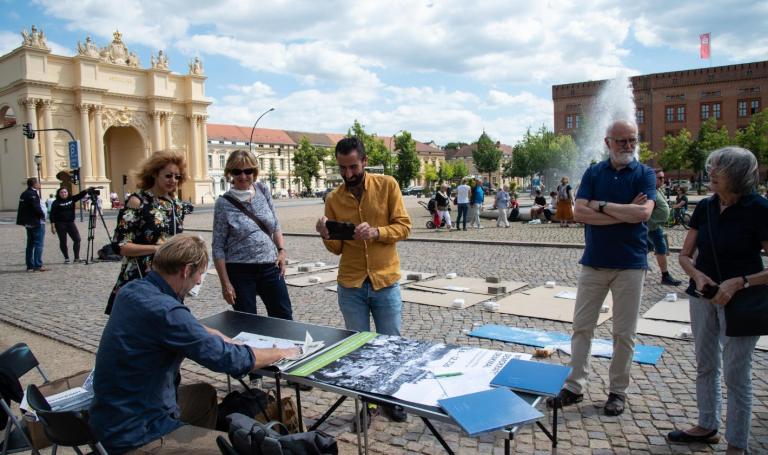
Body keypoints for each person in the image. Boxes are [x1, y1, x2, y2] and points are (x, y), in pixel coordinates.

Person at [90, 234, 299, 454]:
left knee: (204, 395)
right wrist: (280, 352)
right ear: (185, 270)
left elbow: (177, 326)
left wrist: (212, 333)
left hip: (109, 415)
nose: (199, 281)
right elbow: (230, 360)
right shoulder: (166, 311)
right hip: (138, 431)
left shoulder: (132, 291)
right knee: (233, 450)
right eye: (199, 274)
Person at [547, 119, 655, 416]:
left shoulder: (644, 174)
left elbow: (643, 213)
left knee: (624, 333)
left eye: (633, 140)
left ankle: (617, 391)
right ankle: (574, 385)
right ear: (608, 142)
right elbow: (580, 212)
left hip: (631, 264)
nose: (628, 146)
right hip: (594, 263)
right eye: (622, 141)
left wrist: (602, 206)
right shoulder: (594, 171)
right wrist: (624, 212)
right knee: (582, 328)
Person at [667, 147, 768, 455]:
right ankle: (707, 425)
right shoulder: (706, 207)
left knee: (737, 373)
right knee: (706, 364)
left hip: (743, 302)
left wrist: (740, 282)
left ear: (737, 175)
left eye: (719, 169)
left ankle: (737, 444)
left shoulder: (759, 208)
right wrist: (697, 276)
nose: (711, 173)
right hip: (703, 296)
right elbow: (684, 256)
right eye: (711, 167)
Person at [316, 136, 411, 425]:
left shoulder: (388, 185)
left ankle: (391, 400)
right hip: (351, 286)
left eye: (353, 167)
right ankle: (367, 405)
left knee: (391, 346)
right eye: (342, 168)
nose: (348, 174)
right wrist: (326, 234)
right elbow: (337, 249)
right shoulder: (333, 199)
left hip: (386, 282)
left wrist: (377, 233)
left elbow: (404, 226)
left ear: (365, 162)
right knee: (358, 351)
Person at [106, 151, 191, 315]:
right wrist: (156, 249)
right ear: (154, 173)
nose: (173, 180)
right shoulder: (138, 201)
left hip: (169, 276)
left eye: (177, 177)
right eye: (168, 176)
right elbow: (120, 245)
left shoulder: (176, 205)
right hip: (140, 277)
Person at [212, 150, 292, 319]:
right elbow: (218, 246)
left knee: (284, 316)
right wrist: (225, 283)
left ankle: (287, 346)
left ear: (254, 172)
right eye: (237, 171)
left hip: (270, 266)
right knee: (247, 321)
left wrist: (282, 251)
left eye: (248, 171)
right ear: (230, 173)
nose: (243, 176)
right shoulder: (223, 203)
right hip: (240, 270)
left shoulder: (262, 190)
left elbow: (275, 224)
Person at [647, 169, 682, 286]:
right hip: (653, 227)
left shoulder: (657, 190)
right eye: (660, 178)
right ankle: (665, 275)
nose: (663, 180)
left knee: (645, 248)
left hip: (656, 226)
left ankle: (638, 268)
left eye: (663, 178)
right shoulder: (649, 192)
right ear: (652, 179)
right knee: (661, 249)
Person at [16, 178, 48, 272]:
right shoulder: (32, 194)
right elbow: (36, 207)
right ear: (34, 184)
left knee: (30, 244)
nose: (39, 185)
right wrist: (42, 215)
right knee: (39, 243)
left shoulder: (24, 193)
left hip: (28, 222)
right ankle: (38, 265)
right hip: (35, 222)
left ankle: (30, 265)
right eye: (38, 183)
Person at [49, 187, 89, 263]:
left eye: (65, 192)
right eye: (61, 192)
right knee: (63, 241)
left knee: (77, 239)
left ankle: (76, 258)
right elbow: (52, 215)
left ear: (68, 193)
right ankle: (66, 258)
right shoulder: (56, 202)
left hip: (70, 223)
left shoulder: (71, 199)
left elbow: (80, 195)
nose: (63, 194)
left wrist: (87, 190)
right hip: (60, 224)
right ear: (58, 194)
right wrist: (52, 226)